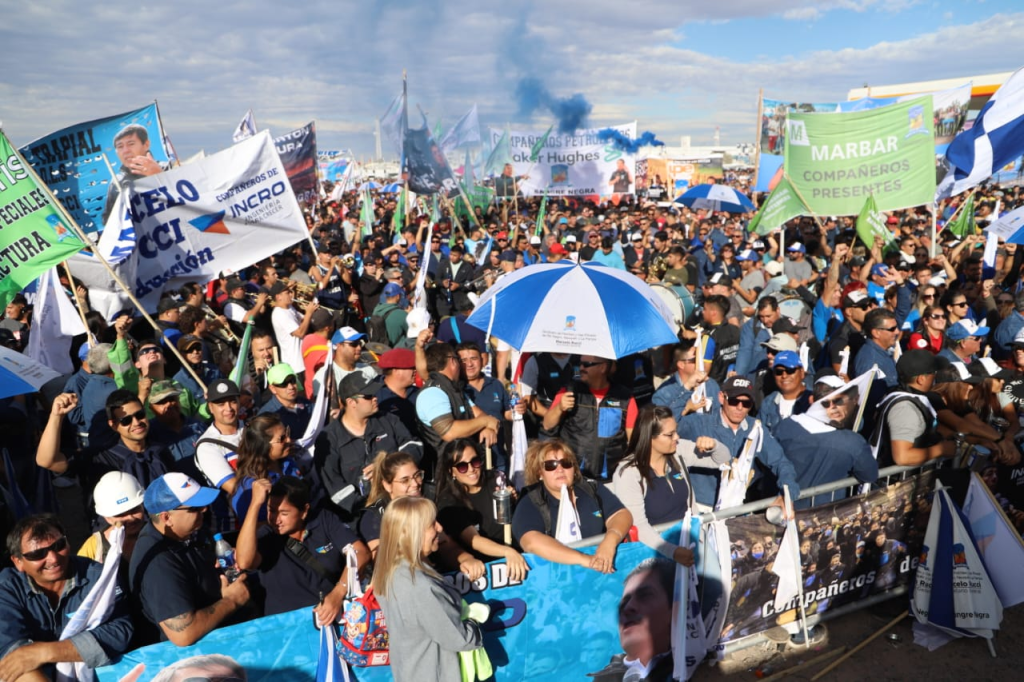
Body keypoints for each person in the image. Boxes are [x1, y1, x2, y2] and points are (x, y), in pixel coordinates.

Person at [0, 514, 133, 680]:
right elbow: (13, 656)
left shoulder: (99, 578)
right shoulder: (6, 588)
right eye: (38, 554)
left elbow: (119, 631)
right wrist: (31, 656)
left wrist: (46, 652)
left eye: (59, 545)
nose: (53, 558)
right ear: (18, 562)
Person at [128, 473, 251, 646]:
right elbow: (183, 634)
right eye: (194, 508)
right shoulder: (158, 563)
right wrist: (232, 601)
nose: (204, 510)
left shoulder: (189, 530)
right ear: (166, 518)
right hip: (205, 655)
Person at [371, 497, 485, 682]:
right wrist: (474, 621)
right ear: (411, 532)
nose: (440, 528)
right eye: (432, 524)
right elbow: (459, 638)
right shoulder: (421, 586)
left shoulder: (389, 571)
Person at [235, 476, 370, 623]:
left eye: (284, 513)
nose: (276, 519)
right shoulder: (267, 536)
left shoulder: (324, 520)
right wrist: (255, 504)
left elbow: (360, 552)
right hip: (287, 627)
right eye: (271, 511)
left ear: (304, 511)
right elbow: (244, 562)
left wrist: (338, 594)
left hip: (330, 620)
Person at [614, 405, 727, 566]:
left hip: (693, 543)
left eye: (676, 431)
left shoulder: (678, 450)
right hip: (656, 554)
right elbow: (638, 525)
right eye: (670, 434)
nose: (677, 437)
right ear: (649, 437)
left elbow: (723, 460)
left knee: (715, 581)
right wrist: (673, 552)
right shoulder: (628, 473)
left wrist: (714, 445)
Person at [676, 376, 799, 512]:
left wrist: (788, 492)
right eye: (734, 401)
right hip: (700, 508)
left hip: (737, 508)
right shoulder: (699, 423)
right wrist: (686, 389)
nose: (740, 407)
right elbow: (665, 426)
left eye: (746, 403)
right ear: (721, 398)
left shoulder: (756, 428)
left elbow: (781, 462)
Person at [512, 440, 632, 573]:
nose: (560, 469)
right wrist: (584, 560)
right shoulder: (531, 501)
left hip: (602, 571)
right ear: (540, 473)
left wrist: (610, 541)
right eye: (551, 465)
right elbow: (531, 542)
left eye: (566, 463)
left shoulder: (591, 489)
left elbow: (621, 514)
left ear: (574, 468)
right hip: (555, 577)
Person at [317, 372, 422, 514]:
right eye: (368, 396)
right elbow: (334, 488)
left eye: (374, 394)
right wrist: (367, 509)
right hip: (358, 515)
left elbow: (415, 446)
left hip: (400, 505)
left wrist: (386, 463)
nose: (375, 398)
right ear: (351, 402)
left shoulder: (389, 420)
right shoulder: (329, 439)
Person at [774, 377, 878, 509]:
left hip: (784, 511)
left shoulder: (784, 426)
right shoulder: (853, 442)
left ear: (812, 400)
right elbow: (870, 474)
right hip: (826, 515)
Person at [433, 439, 528, 580]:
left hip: (516, 554)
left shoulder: (496, 479)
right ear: (451, 471)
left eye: (475, 461)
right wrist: (508, 552)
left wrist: (514, 499)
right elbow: (474, 540)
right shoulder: (449, 502)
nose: (471, 469)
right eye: (462, 466)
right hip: (484, 568)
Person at [543, 355, 637, 481]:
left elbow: (634, 439)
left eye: (587, 364)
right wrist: (559, 407)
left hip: (611, 476)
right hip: (574, 475)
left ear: (603, 367)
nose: (581, 368)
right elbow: (547, 424)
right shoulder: (569, 391)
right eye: (580, 364)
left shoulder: (624, 397)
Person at [416, 343, 499, 475]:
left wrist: (486, 427)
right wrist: (485, 422)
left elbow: (479, 414)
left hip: (470, 466)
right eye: (459, 359)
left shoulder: (456, 390)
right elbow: (449, 431)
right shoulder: (432, 393)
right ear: (452, 361)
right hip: (447, 473)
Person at [589, 558, 676, 682]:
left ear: (674, 608)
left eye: (645, 596)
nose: (628, 608)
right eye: (625, 601)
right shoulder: (604, 678)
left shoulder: (694, 669)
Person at [868, 350, 955, 468]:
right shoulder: (904, 408)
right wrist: (941, 449)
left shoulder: (903, 396)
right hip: (897, 478)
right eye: (933, 373)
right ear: (921, 379)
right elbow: (902, 457)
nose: (936, 376)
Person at [231, 414, 304, 520]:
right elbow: (256, 526)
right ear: (263, 446)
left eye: (287, 432)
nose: (288, 440)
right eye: (282, 438)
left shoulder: (288, 462)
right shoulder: (250, 486)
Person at [101, 124, 167, 225]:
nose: (125, 151)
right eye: (120, 146)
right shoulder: (117, 182)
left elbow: (184, 203)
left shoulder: (168, 168)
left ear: (146, 144)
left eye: (131, 144)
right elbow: (109, 221)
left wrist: (158, 176)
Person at [78, 471, 147, 565]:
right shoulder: (93, 548)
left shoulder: (161, 532)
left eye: (135, 509)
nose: (130, 518)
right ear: (107, 517)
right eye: (121, 514)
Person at [652, 342, 720, 420]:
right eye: (694, 360)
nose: (700, 363)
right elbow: (661, 423)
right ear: (681, 364)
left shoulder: (711, 385)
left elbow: (718, 417)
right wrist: (686, 408)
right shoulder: (663, 394)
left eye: (701, 359)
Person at [757, 350, 812, 434]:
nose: (784, 375)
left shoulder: (814, 401)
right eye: (779, 372)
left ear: (801, 372)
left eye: (790, 370)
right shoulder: (768, 403)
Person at [258, 363, 312, 436]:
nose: (291, 387)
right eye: (283, 384)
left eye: (292, 380)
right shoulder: (266, 416)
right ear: (273, 388)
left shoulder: (308, 404)